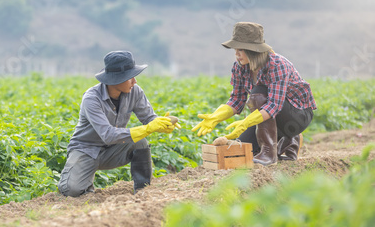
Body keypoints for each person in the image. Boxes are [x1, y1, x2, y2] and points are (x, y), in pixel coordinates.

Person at [192, 22, 317, 166]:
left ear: (252, 50)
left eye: (240, 50)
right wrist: (216, 117)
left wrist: (246, 122)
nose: (236, 54)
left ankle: (269, 154)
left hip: (297, 116)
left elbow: (274, 105)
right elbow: (237, 100)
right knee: (244, 149)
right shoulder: (240, 68)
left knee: (258, 94)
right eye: (235, 49)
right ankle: (289, 139)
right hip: (269, 116)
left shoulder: (277, 65)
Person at [58, 50, 179, 197]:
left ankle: (143, 190)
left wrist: (161, 124)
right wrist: (148, 128)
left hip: (113, 150)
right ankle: (83, 181)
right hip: (86, 150)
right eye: (130, 77)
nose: (134, 81)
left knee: (140, 142)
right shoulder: (91, 99)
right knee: (71, 190)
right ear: (115, 80)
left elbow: (149, 118)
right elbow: (108, 135)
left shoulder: (135, 91)